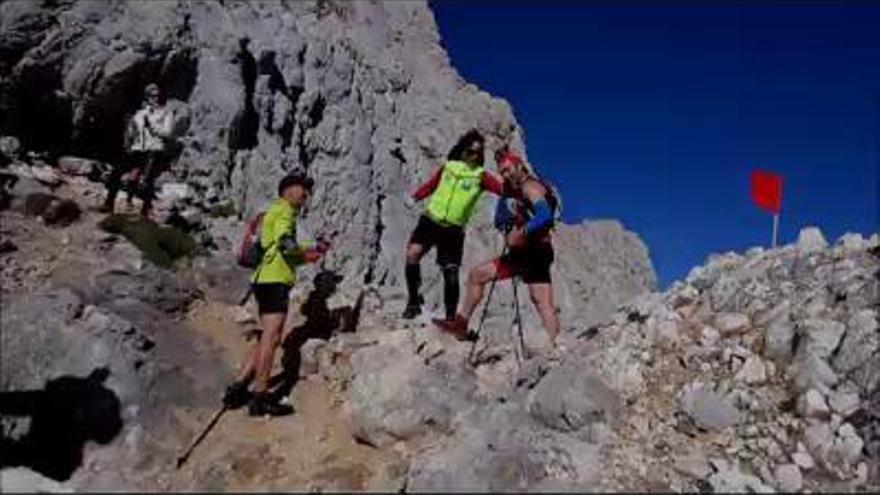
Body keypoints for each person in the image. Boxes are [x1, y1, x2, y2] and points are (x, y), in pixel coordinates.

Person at [223, 172, 329, 417]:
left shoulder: (273, 211)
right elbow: (286, 245)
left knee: (265, 337)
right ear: (289, 190)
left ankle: (238, 387)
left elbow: (281, 250)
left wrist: (312, 251)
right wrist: (307, 255)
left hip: (264, 278)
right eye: (302, 190)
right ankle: (260, 398)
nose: (305, 195)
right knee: (272, 338)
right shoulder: (284, 212)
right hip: (275, 281)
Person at [434, 149, 561, 349]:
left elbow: (544, 215)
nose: (505, 174)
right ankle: (461, 324)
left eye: (508, 169)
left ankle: (555, 346)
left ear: (520, 166)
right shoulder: (514, 191)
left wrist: (521, 233)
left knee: (537, 299)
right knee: (481, 276)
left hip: (534, 252)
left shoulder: (531, 187)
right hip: (530, 253)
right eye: (502, 172)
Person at [403, 130, 505, 321]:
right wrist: (415, 197)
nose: (474, 156)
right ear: (462, 149)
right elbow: (432, 185)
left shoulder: (480, 176)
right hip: (430, 220)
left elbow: (503, 189)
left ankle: (450, 319)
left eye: (478, 152)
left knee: (450, 272)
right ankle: (413, 302)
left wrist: (524, 193)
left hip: (453, 229)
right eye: (470, 151)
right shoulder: (449, 166)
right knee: (412, 254)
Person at [100, 83, 174, 216]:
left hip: (153, 149)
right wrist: (128, 139)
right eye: (152, 96)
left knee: (147, 180)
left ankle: (144, 210)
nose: (155, 98)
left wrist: (152, 128)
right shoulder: (140, 112)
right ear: (147, 97)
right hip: (136, 147)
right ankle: (109, 201)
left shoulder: (166, 113)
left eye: (157, 96)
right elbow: (132, 128)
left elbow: (167, 132)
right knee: (117, 172)